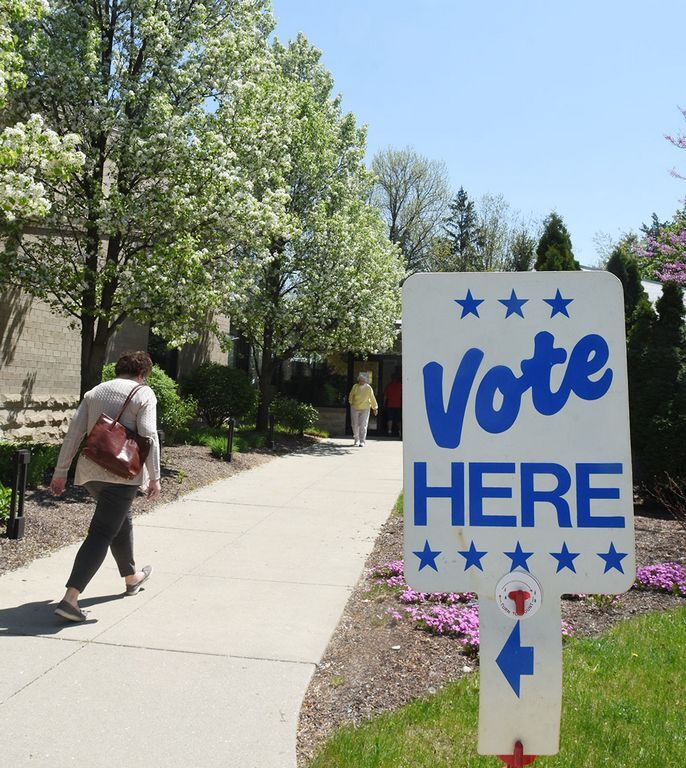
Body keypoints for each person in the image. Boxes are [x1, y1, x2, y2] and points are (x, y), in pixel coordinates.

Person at [49, 351, 161, 622]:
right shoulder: (144, 393)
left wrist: (61, 471)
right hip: (121, 475)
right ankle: (70, 599)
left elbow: (74, 433)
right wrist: (155, 476)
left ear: (118, 370)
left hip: (92, 473)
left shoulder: (94, 392)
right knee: (101, 532)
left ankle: (131, 577)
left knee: (120, 520)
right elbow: (149, 436)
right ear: (143, 373)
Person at [348, 372, 378, 447]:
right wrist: (351, 402)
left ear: (365, 381)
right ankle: (356, 439)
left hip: (365, 408)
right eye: (360, 380)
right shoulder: (355, 386)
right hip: (355, 407)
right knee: (355, 424)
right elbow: (351, 395)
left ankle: (362, 441)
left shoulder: (368, 388)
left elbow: (372, 398)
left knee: (363, 424)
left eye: (362, 380)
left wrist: (375, 408)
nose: (361, 381)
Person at [383, 370, 402, 437]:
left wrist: (384, 404)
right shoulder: (401, 386)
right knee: (399, 419)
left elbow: (385, 396)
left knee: (390, 418)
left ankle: (389, 431)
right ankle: (400, 432)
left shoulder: (389, 386)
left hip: (390, 404)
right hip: (398, 405)